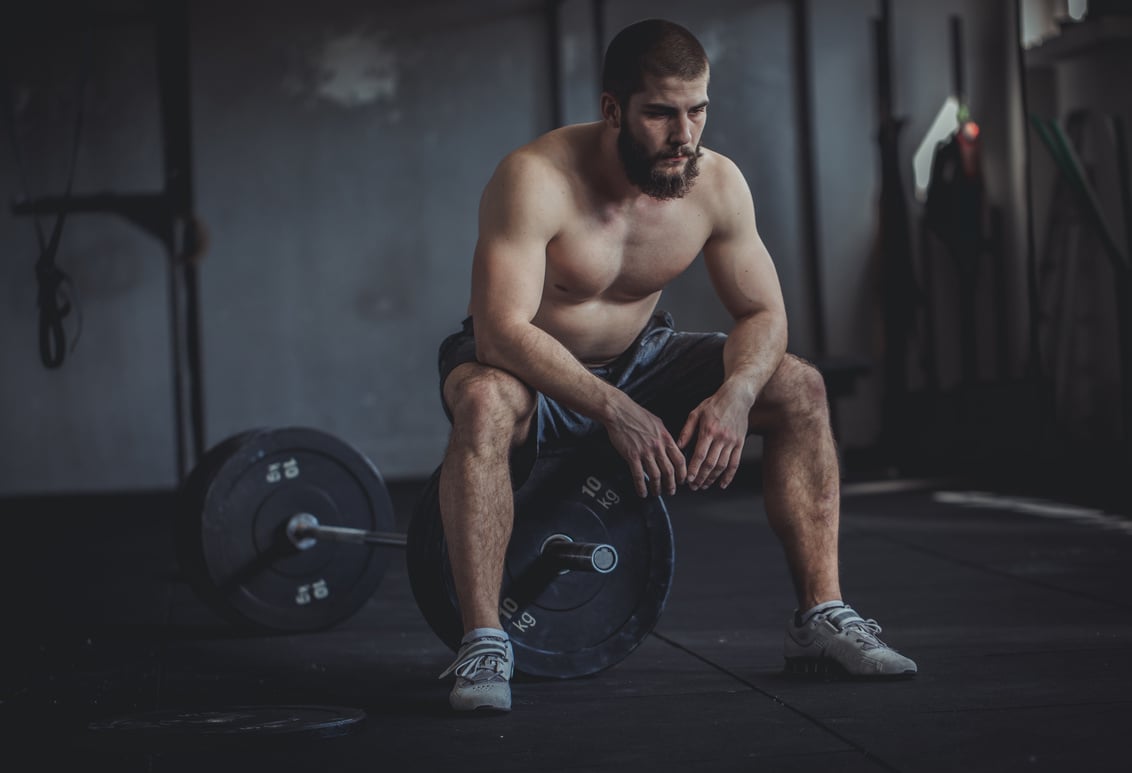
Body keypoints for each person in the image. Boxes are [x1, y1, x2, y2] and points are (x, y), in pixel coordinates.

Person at [433, 18, 917, 712]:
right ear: (612, 110)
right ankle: (483, 640)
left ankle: (821, 617)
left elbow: (765, 315)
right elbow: (500, 330)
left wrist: (738, 394)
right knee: (482, 402)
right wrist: (612, 409)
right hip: (527, 369)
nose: (683, 134)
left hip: (641, 357)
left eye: (697, 111)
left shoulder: (715, 186)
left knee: (800, 387)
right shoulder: (535, 178)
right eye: (660, 112)